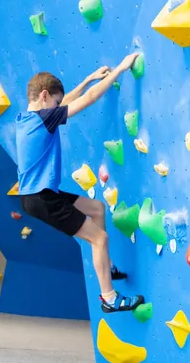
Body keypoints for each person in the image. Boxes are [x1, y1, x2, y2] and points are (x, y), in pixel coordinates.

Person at [16, 54, 145, 313]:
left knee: (97, 208)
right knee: (99, 238)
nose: (58, 106)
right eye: (54, 101)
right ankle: (109, 298)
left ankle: (106, 267)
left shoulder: (26, 118)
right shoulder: (44, 119)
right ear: (43, 96)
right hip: (43, 199)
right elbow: (89, 100)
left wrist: (87, 79)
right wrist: (119, 69)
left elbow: (67, 102)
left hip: (39, 195)